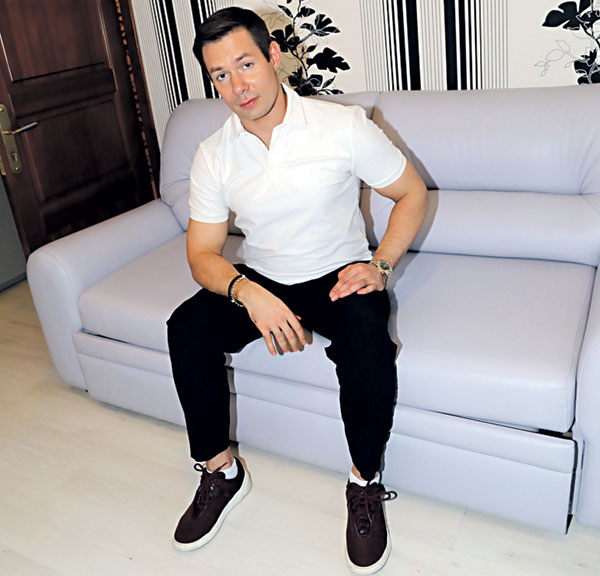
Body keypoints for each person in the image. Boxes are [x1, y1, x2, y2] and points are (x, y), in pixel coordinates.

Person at [166, 7, 428, 574]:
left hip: (339, 272)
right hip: (262, 276)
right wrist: (247, 292)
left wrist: (381, 266)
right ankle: (221, 470)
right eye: (220, 75)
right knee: (187, 327)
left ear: (273, 57)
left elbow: (411, 193)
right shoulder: (214, 153)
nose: (237, 86)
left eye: (246, 64)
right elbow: (201, 255)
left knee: (368, 344)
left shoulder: (343, 126)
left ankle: (364, 483)